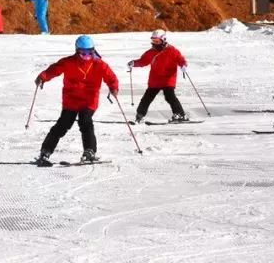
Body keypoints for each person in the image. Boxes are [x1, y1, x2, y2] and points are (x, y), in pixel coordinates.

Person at [33, 35, 119, 166]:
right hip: (71, 99)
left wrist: (113, 88)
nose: (86, 55)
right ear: (77, 51)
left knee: (86, 122)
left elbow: (111, 77)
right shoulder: (68, 62)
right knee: (62, 125)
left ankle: (89, 151)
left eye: (89, 52)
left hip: (89, 100)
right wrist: (43, 77)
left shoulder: (99, 64)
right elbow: (54, 70)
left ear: (93, 50)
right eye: (83, 53)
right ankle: (45, 152)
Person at [127, 30, 188, 123]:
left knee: (169, 96)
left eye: (157, 41)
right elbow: (143, 61)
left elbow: (180, 59)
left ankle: (180, 115)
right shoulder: (150, 52)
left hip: (168, 78)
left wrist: (183, 65)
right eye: (153, 41)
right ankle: (140, 116)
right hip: (155, 79)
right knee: (147, 98)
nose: (155, 43)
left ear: (163, 40)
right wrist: (134, 63)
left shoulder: (172, 50)